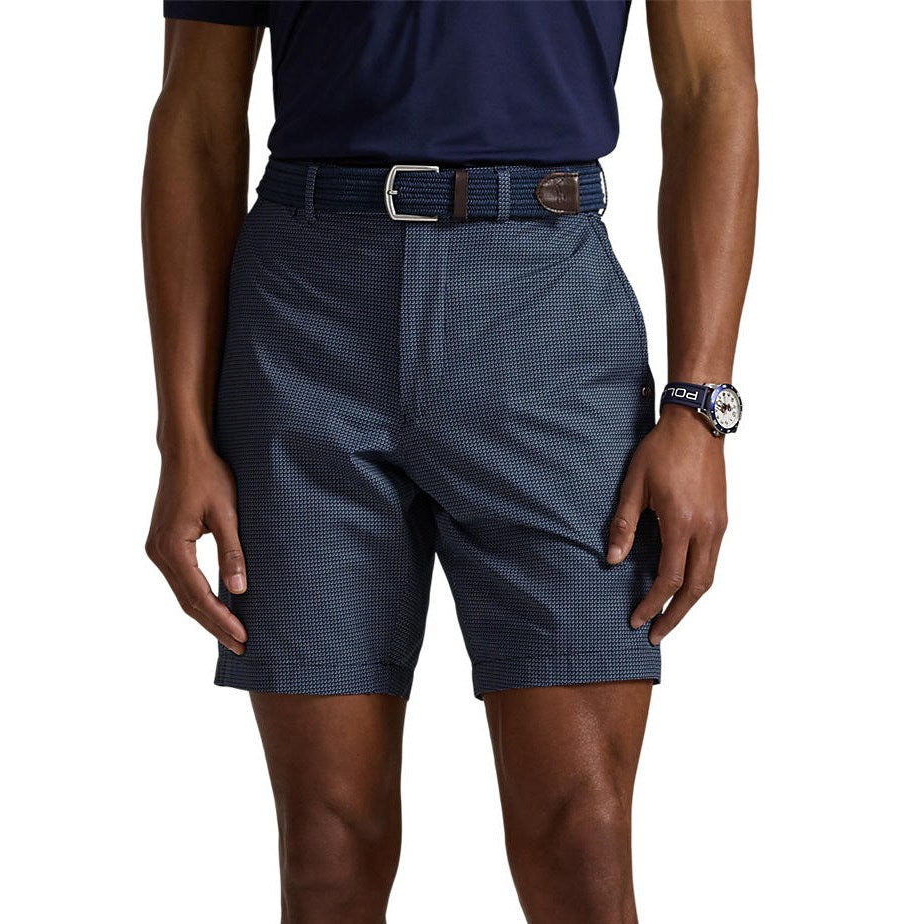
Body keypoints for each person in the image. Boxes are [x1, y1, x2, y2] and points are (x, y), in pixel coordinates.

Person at [142, 1, 757, 920]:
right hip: (306, 318)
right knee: (327, 849)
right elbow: (195, 115)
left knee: (581, 837)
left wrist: (701, 405)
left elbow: (714, 88)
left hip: (546, 309)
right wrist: (181, 432)